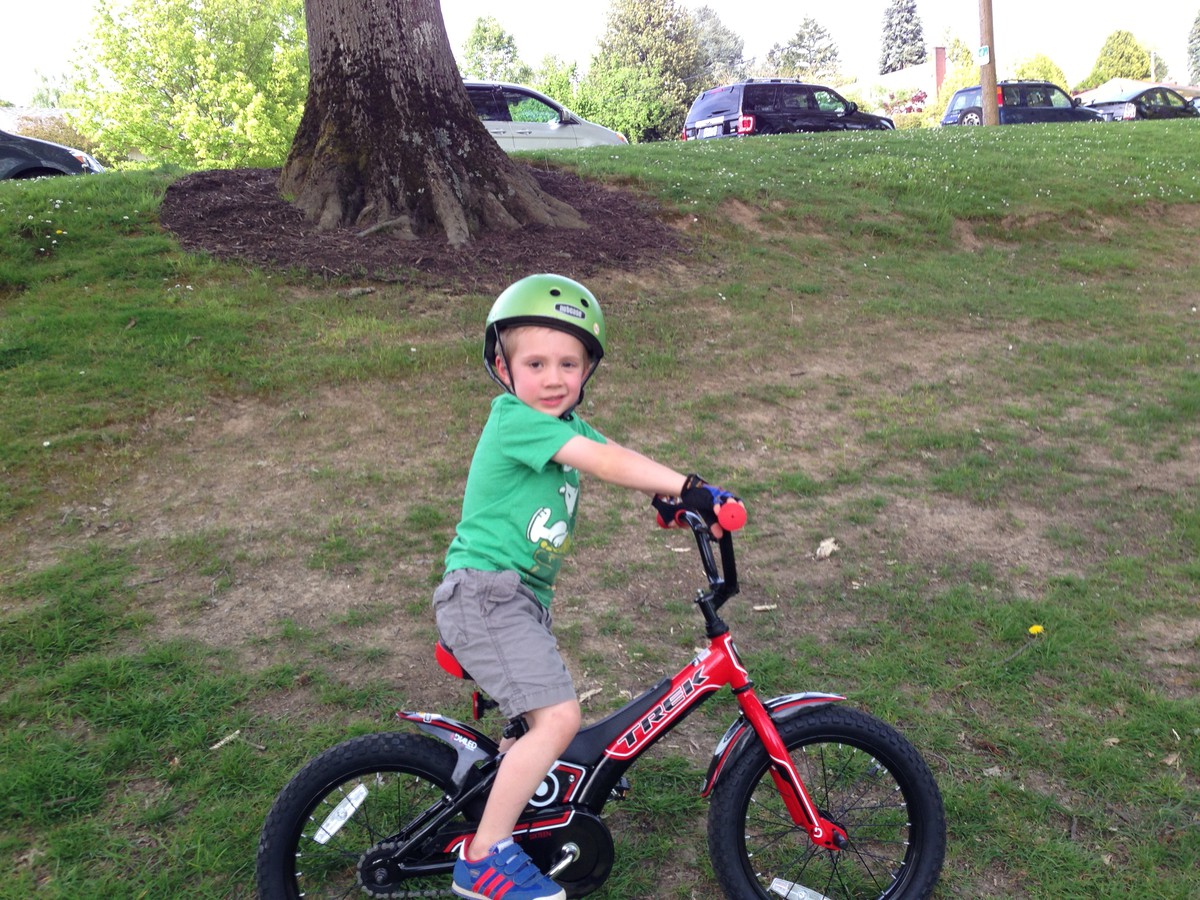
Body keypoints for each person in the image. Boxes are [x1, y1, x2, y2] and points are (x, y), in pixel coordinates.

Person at [433, 273, 743, 900]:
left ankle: (517, 817)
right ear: (504, 368)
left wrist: (664, 495)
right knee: (558, 718)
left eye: (568, 364)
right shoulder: (514, 419)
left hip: (517, 600)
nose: (553, 378)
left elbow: (612, 452)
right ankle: (484, 858)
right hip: (485, 595)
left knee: (531, 730)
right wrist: (689, 487)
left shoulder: (564, 425)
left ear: (587, 370)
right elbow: (601, 461)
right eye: (536, 363)